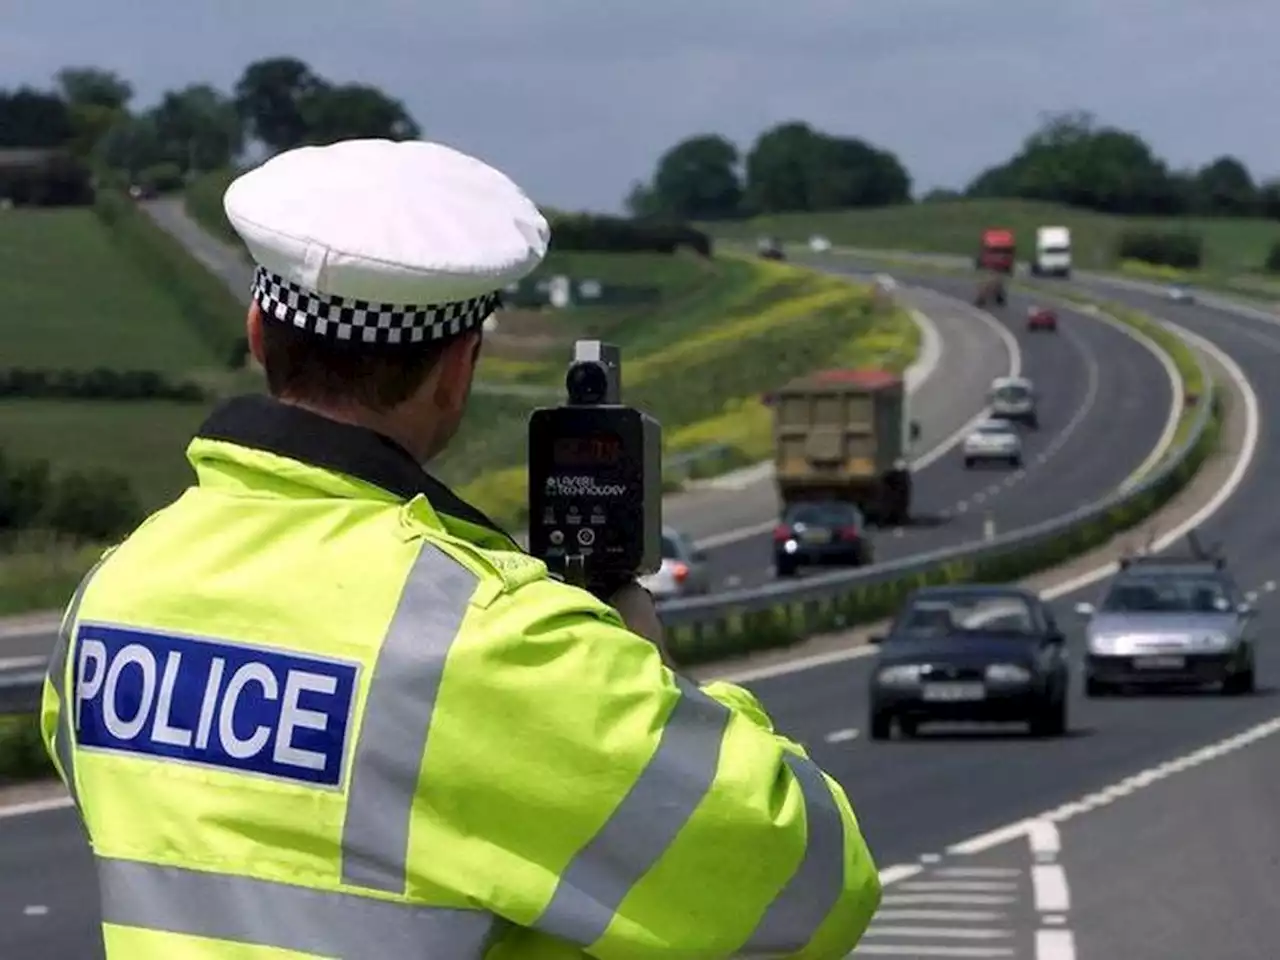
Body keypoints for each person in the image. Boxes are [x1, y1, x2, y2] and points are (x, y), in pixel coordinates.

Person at [41, 138, 881, 959]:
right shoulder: (489, 642)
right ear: (456, 369)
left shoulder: (115, 592)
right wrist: (651, 678)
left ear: (260, 331)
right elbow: (810, 889)